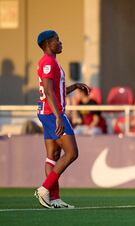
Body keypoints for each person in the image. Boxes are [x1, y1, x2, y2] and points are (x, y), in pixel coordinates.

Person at [34, 30, 90, 208]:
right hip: (52, 113)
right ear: (48, 43)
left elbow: (55, 91)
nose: (60, 42)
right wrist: (59, 116)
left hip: (48, 111)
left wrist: (74, 86)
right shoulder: (48, 62)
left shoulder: (50, 62)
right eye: (57, 40)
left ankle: (55, 198)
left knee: (53, 156)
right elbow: (49, 91)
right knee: (72, 153)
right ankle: (44, 189)